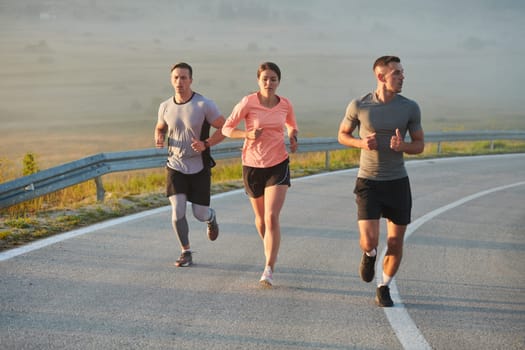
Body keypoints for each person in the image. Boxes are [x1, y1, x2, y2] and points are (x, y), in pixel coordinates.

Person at [337, 56, 424, 307]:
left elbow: (419, 145)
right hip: (369, 181)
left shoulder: (410, 107)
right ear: (380, 76)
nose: (402, 77)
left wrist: (404, 146)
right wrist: (360, 143)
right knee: (370, 240)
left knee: (396, 241)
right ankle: (369, 254)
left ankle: (383, 285)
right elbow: (342, 135)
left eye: (402, 72)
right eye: (396, 72)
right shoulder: (359, 105)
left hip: (397, 182)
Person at [222, 62, 298, 287]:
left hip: (278, 163)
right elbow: (227, 128)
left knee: (272, 216)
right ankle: (269, 247)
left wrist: (293, 136)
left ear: (278, 81)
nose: (269, 83)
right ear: (258, 81)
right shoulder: (248, 102)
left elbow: (292, 125)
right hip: (253, 165)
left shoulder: (285, 104)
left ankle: (268, 268)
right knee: (261, 220)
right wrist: (247, 134)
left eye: (273, 79)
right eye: (265, 78)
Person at [155, 62, 226, 267]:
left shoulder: (204, 105)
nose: (180, 81)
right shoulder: (165, 106)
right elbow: (160, 127)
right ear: (171, 80)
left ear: (191, 80)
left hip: (199, 167)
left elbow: (225, 128)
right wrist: (159, 136)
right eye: (176, 77)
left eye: (184, 77)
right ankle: (186, 251)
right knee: (177, 211)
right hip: (175, 165)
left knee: (199, 213)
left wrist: (206, 143)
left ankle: (211, 218)